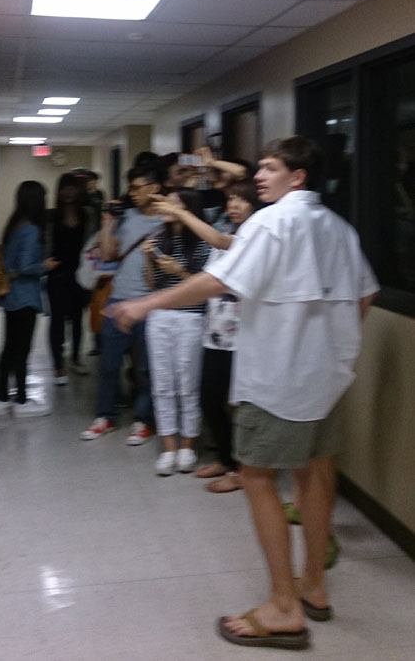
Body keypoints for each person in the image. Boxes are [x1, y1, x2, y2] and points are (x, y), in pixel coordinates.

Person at [107, 136, 378, 650]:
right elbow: (366, 294)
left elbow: (216, 281)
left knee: (255, 476)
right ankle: (313, 586)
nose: (258, 176)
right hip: (326, 378)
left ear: (297, 177)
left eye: (270, 168)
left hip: (278, 378)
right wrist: (328, 342)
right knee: (316, 470)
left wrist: (146, 305)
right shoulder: (338, 227)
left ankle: (283, 608)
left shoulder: (271, 223)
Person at [150, 179, 260, 491]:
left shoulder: (257, 235)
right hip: (216, 332)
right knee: (210, 399)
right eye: (231, 199)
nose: (233, 205)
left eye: (242, 200)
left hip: (242, 335)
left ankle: (242, 469)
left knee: (237, 404)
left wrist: (179, 212)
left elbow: (218, 242)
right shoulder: (232, 230)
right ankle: (227, 459)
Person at [80, 165, 163, 445]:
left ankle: (143, 420)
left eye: (137, 187)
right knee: (108, 364)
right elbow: (107, 255)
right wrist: (108, 223)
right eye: (131, 188)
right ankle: (105, 416)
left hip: (150, 303)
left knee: (146, 368)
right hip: (118, 300)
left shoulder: (167, 220)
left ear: (154, 188)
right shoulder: (126, 217)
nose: (132, 193)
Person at [143, 189, 211, 475]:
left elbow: (208, 286)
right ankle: (169, 448)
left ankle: (187, 446)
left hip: (191, 317)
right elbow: (151, 284)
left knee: (187, 384)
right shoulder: (159, 236)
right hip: (160, 315)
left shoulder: (204, 241)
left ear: (188, 208)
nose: (165, 207)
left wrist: (179, 271)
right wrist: (148, 259)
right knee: (162, 384)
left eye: (172, 203)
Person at [0, 181, 59, 417]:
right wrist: (45, 265)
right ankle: (21, 400)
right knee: (22, 349)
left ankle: (2, 397)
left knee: (9, 347)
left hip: (11, 296)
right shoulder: (31, 230)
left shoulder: (14, 225)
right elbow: (25, 266)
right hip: (25, 297)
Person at [47, 173, 95, 384]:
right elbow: (45, 243)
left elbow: (92, 244)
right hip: (57, 275)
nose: (68, 192)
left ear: (78, 190)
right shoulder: (52, 217)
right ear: (59, 191)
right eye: (64, 188)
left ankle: (75, 358)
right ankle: (58, 365)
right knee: (57, 321)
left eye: (72, 188)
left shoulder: (87, 215)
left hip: (80, 276)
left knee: (77, 320)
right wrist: (45, 262)